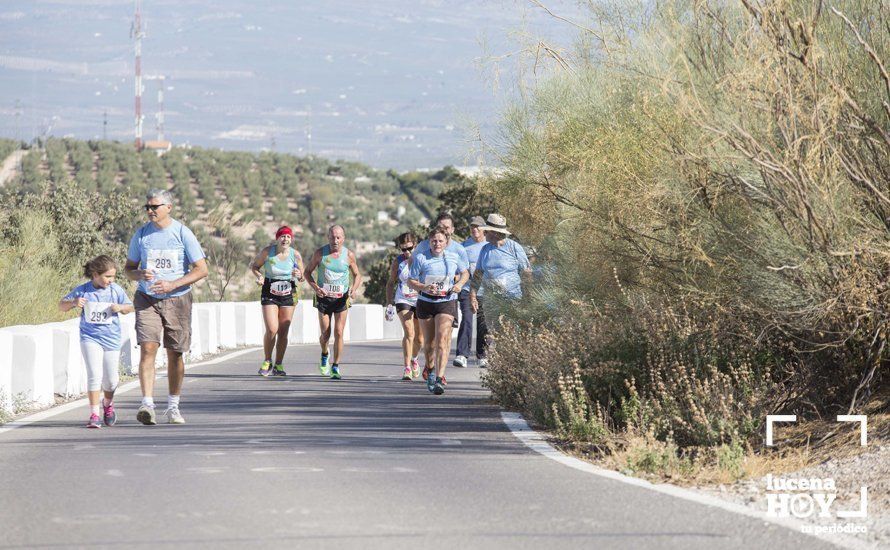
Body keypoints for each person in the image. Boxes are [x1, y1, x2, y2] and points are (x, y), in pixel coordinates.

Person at [125, 189, 208, 425]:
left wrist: (173, 284)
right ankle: (147, 404)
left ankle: (173, 406)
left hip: (178, 299)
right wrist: (138, 273)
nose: (150, 211)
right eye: (147, 207)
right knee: (148, 348)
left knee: (175, 353)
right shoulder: (141, 235)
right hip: (146, 297)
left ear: (168, 208)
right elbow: (128, 269)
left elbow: (202, 269)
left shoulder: (183, 233)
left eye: (155, 207)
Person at [59, 255, 134, 428]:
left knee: (111, 380)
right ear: (95, 274)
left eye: (113, 276)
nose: (111, 280)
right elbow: (61, 305)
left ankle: (108, 404)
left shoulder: (116, 290)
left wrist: (120, 308)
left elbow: (130, 306)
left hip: (112, 339)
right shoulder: (84, 290)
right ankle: (94, 414)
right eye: (107, 276)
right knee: (94, 375)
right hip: (90, 337)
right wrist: (74, 303)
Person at [408, 227, 469, 395]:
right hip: (426, 303)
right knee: (429, 344)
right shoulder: (421, 258)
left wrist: (459, 285)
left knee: (442, 339)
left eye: (441, 241)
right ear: (429, 241)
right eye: (434, 241)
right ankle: (430, 368)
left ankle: (440, 378)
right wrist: (424, 287)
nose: (437, 244)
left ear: (446, 242)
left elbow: (465, 273)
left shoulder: (453, 257)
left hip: (446, 302)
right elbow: (410, 281)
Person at [469, 214, 531, 367]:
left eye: (487, 231)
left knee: (510, 330)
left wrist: (528, 297)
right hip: (492, 299)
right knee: (495, 332)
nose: (484, 234)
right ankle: (504, 364)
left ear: (495, 233)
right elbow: (478, 273)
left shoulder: (514, 248)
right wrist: (472, 295)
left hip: (512, 298)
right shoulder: (485, 249)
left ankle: (512, 362)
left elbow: (527, 272)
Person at [303, 225, 363, 380]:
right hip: (323, 297)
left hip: (341, 298)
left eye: (338, 237)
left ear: (343, 238)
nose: (335, 240)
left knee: (339, 332)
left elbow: (357, 275)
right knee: (325, 334)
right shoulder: (320, 254)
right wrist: (316, 287)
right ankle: (324, 354)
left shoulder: (349, 255)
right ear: (327, 237)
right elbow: (307, 272)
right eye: (332, 237)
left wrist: (354, 289)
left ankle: (335, 366)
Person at [249, 225, 304, 377]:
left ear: (291, 239)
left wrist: (299, 274)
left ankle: (278, 364)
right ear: (277, 238)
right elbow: (254, 267)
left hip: (288, 293)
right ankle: (267, 361)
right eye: (282, 236)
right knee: (272, 329)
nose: (285, 239)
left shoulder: (296, 255)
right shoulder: (268, 252)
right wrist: (259, 276)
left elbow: (302, 277)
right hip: (270, 292)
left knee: (283, 331)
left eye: (288, 237)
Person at [385, 232, 423, 380]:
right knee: (409, 332)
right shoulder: (398, 262)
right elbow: (390, 283)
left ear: (416, 245)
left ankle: (414, 358)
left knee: (420, 339)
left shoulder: (423, 259)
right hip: (403, 299)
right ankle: (407, 367)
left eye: (409, 248)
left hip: (420, 300)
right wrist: (389, 303)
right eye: (403, 249)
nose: (406, 252)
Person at [454, 216, 487, 368]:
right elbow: (457, 269)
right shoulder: (463, 247)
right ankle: (462, 355)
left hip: (485, 290)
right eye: (472, 227)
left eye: (478, 227)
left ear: (484, 229)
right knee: (466, 319)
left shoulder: (489, 246)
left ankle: (482, 355)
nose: (474, 229)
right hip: (466, 289)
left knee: (483, 323)